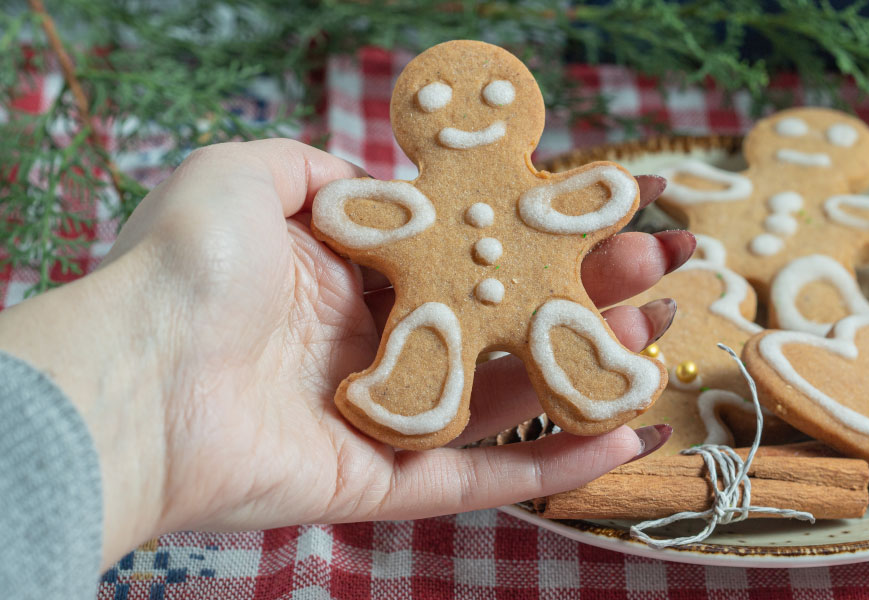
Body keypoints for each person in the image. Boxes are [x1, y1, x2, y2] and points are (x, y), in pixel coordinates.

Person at [0, 139, 692, 598]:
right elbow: (376, 212)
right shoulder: (425, 201)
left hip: (542, 293)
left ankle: (585, 379)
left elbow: (588, 196)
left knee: (552, 331)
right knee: (434, 342)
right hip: (437, 303)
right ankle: (411, 399)